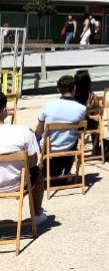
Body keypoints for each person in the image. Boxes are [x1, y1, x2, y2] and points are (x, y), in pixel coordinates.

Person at [0, 93, 49, 226]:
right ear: (4, 110)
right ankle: (37, 213)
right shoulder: (23, 132)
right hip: (17, 184)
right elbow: (33, 163)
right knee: (38, 172)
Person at [35, 75, 87, 179]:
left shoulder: (48, 105)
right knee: (75, 135)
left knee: (36, 134)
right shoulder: (81, 108)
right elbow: (81, 132)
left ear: (58, 89)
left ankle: (45, 171)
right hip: (68, 146)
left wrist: (36, 140)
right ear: (74, 88)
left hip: (48, 147)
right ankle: (66, 172)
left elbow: (39, 130)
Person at [74, 70, 102, 153]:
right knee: (96, 123)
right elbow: (98, 114)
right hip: (89, 126)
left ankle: (73, 147)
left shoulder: (73, 98)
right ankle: (96, 147)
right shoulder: (93, 97)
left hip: (75, 126)